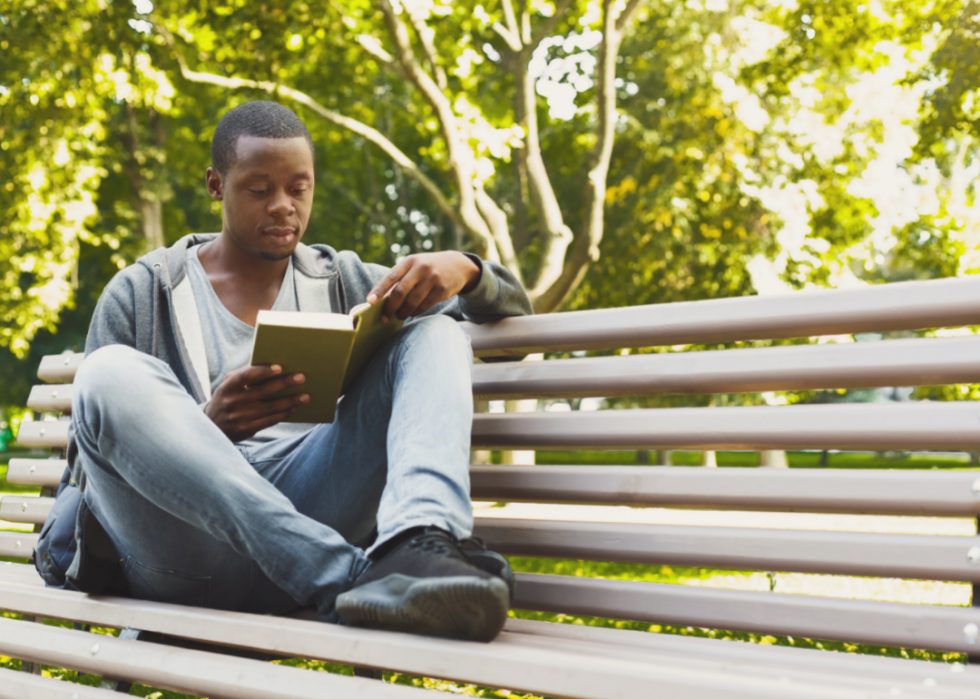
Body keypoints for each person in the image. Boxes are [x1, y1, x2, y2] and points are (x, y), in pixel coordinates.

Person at [46, 100, 532, 643]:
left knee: (436, 332)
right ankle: (351, 577)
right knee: (108, 373)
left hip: (317, 500)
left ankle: (420, 543)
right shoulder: (141, 292)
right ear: (216, 185)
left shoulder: (347, 280)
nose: (283, 207)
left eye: (299, 189)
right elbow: (89, 469)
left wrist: (466, 271)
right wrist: (206, 427)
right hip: (185, 554)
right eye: (260, 189)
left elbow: (511, 342)